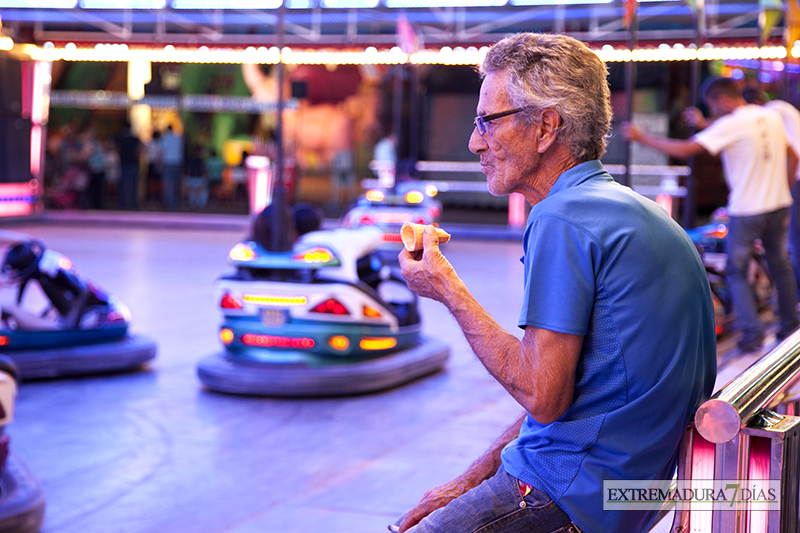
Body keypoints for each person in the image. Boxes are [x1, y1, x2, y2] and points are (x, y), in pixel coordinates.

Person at [397, 32, 716, 533]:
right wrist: (469, 480)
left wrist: (446, 288)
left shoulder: (562, 218)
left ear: (546, 127)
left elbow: (542, 394)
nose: (474, 141)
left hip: (570, 494)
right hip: (622, 495)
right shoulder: (635, 213)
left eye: (487, 122)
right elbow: (579, 400)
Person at [623, 77, 800, 353]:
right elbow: (793, 155)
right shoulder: (769, 116)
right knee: (781, 264)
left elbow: (686, 149)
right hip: (778, 205)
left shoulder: (732, 124)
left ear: (720, 99)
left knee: (736, 271)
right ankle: (790, 327)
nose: (714, 112)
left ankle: (751, 334)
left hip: (747, 210)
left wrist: (640, 136)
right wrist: (785, 189)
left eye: (713, 107)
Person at [114, 121, 141, 210]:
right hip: (133, 163)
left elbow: (111, 142)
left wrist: (119, 152)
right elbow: (141, 148)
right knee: (133, 185)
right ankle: (134, 204)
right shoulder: (134, 138)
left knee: (122, 185)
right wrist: (136, 154)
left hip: (123, 163)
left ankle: (122, 204)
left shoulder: (120, 138)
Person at [160, 125, 184, 210]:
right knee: (176, 183)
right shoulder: (178, 138)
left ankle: (170, 203)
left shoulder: (164, 138)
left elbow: (161, 153)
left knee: (168, 184)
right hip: (177, 163)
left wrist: (159, 164)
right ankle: (175, 202)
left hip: (168, 163)